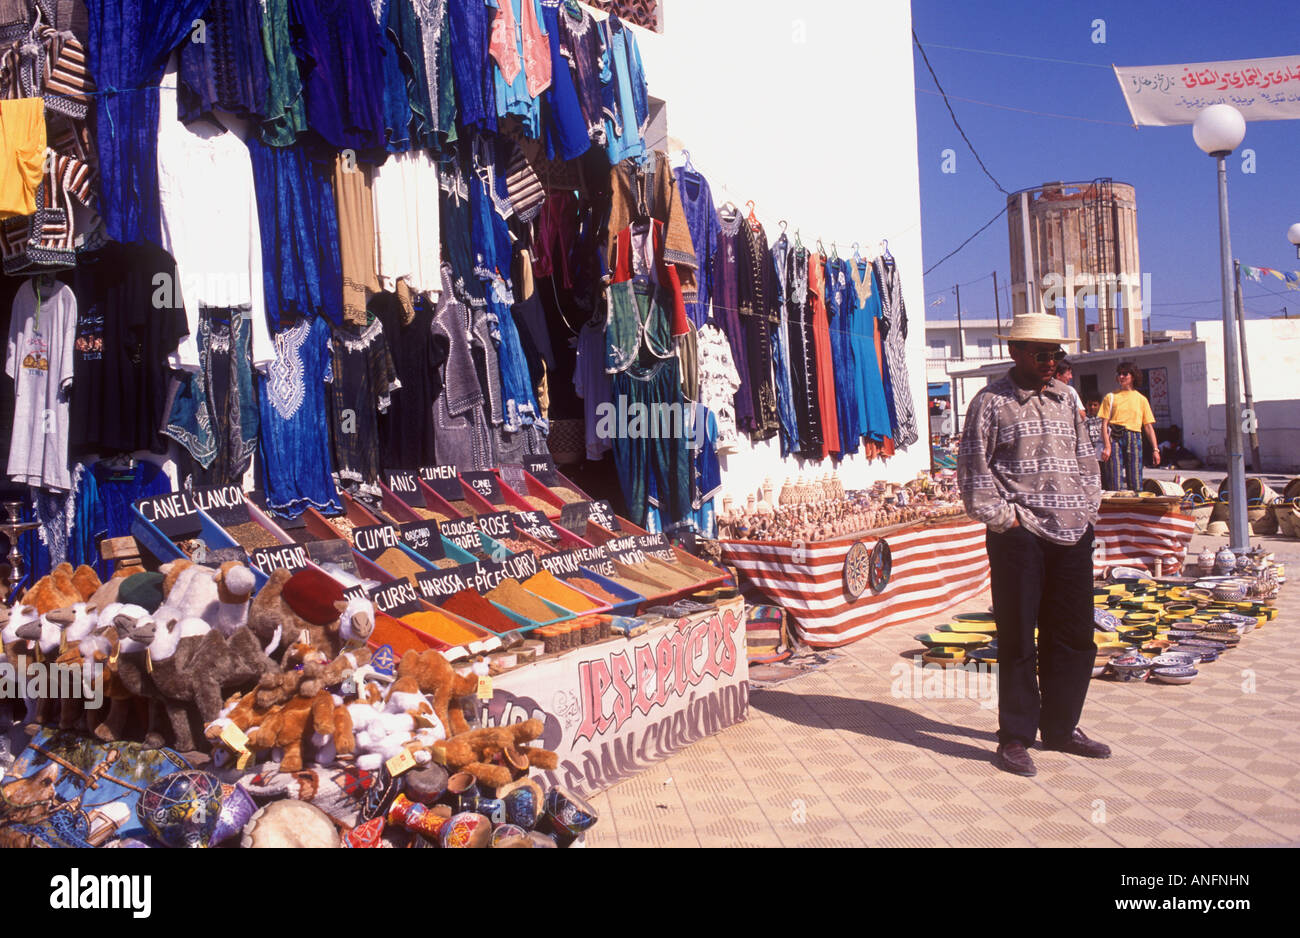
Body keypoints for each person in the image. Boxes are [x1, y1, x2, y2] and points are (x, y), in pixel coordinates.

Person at [957, 313, 1108, 777]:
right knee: (1020, 637)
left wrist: (1088, 511)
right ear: (1015, 352)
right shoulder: (989, 403)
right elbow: (973, 472)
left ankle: (1061, 728)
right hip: (1019, 538)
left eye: (1056, 353)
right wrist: (1008, 521)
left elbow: (1087, 460)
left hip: (1073, 534)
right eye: (1041, 353)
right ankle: (1015, 737)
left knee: (1076, 635)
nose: (1051, 361)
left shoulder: (1068, 399)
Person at [1098, 362, 1159, 492]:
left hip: (1134, 437)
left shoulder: (1141, 399)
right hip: (1114, 436)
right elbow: (1104, 424)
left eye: (1125, 373)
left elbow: (1148, 427)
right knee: (1114, 476)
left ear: (1133, 376)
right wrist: (1107, 446)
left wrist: (1155, 449)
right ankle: (1116, 507)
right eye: (1119, 374)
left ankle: (1135, 507)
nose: (1121, 376)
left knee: (1135, 477)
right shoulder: (1111, 397)